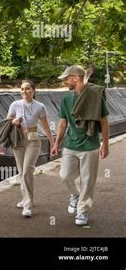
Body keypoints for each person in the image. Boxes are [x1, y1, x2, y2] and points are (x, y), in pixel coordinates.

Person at [51, 65, 109, 226]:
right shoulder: (66, 99)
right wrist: (56, 143)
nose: (65, 81)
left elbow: (104, 121)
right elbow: (62, 123)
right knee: (65, 175)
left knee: (88, 180)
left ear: (76, 77)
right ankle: (75, 195)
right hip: (70, 144)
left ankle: (83, 211)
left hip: (90, 145)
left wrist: (106, 144)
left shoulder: (96, 96)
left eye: (67, 78)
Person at [6, 80, 55, 217]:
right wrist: (13, 121)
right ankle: (24, 198)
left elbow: (45, 126)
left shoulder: (40, 106)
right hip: (18, 141)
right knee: (22, 172)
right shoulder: (15, 104)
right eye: (22, 89)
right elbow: (6, 122)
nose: (24, 91)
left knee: (27, 171)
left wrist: (53, 143)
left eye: (27, 89)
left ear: (33, 90)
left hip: (33, 141)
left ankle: (27, 205)